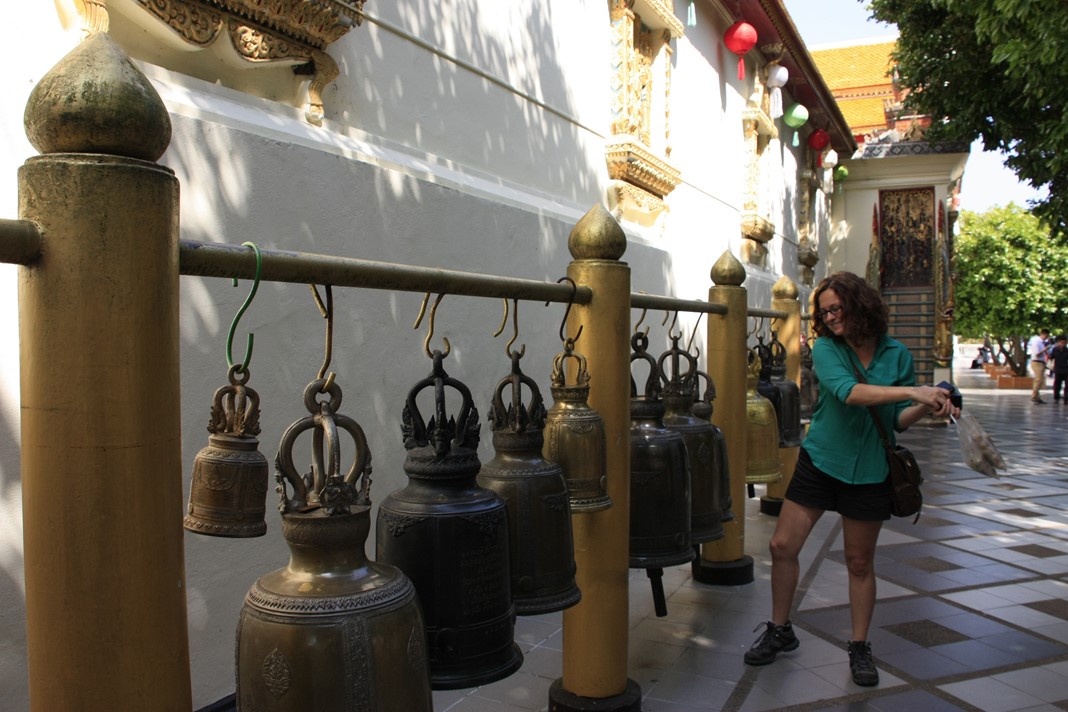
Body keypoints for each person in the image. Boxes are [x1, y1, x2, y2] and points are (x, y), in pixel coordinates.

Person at [744, 272, 958, 687]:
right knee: (782, 545)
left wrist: (930, 403)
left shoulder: (897, 355)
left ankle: (859, 647)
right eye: (824, 312)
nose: (829, 318)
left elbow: (898, 421)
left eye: (835, 309)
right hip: (822, 460)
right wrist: (914, 391)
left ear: (859, 304)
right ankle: (780, 628)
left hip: (871, 470)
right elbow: (848, 392)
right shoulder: (827, 348)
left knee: (859, 562)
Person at [1028, 328, 1051, 403]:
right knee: (1039, 380)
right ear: (1044, 334)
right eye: (1047, 336)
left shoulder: (1041, 342)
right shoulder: (1036, 342)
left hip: (1041, 362)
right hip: (1037, 362)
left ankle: (1036, 396)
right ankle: (1034, 396)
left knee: (1039, 380)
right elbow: (1037, 354)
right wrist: (1045, 349)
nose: (1047, 338)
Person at [1049, 335, 1068, 403]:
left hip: (1066, 369)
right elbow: (1051, 358)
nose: (1062, 344)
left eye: (1064, 342)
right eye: (1061, 342)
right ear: (1058, 342)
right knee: (1057, 384)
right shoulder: (1055, 349)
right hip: (1058, 369)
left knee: (1067, 385)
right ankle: (1056, 398)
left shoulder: (1067, 350)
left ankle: (1066, 398)